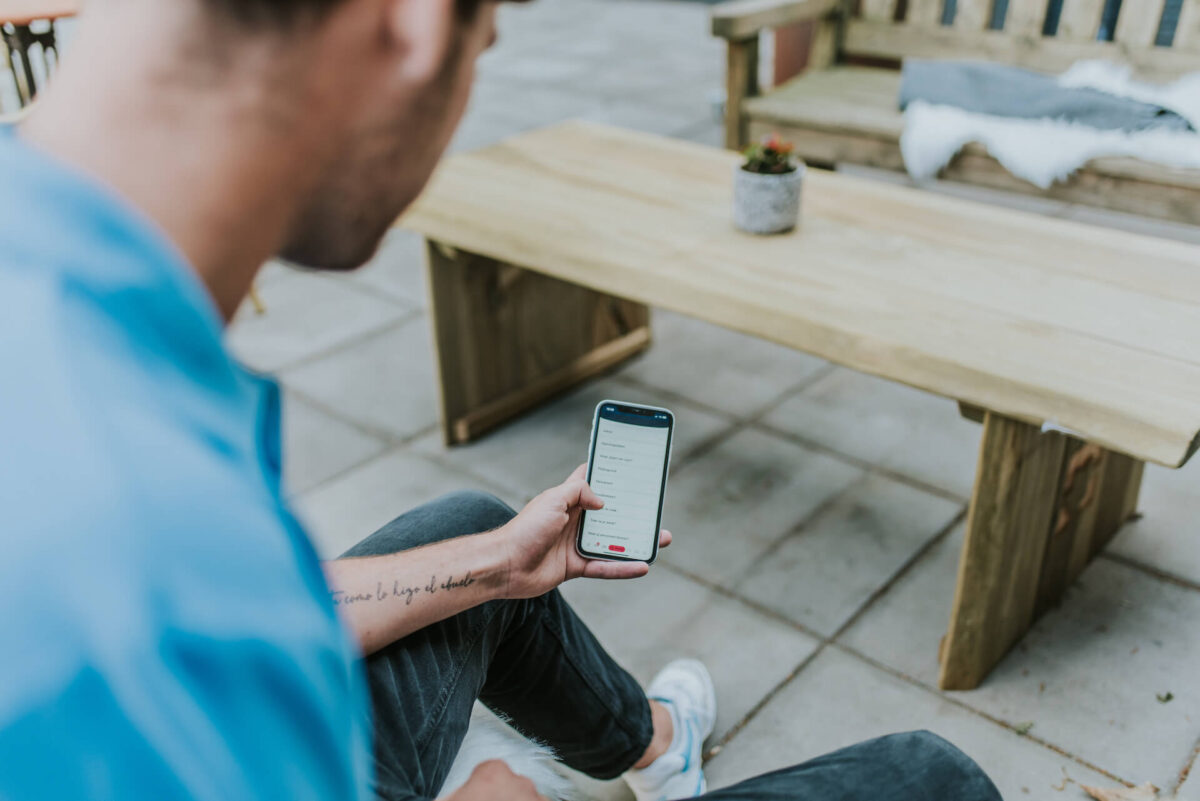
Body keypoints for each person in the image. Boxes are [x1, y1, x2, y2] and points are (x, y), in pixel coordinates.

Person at [0, 0, 1004, 799]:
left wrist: (490, 565)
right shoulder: (122, 587)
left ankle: (653, 748)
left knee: (477, 535)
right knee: (934, 779)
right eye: (486, 40)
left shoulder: (73, 340)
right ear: (419, 20)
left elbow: (251, 609)